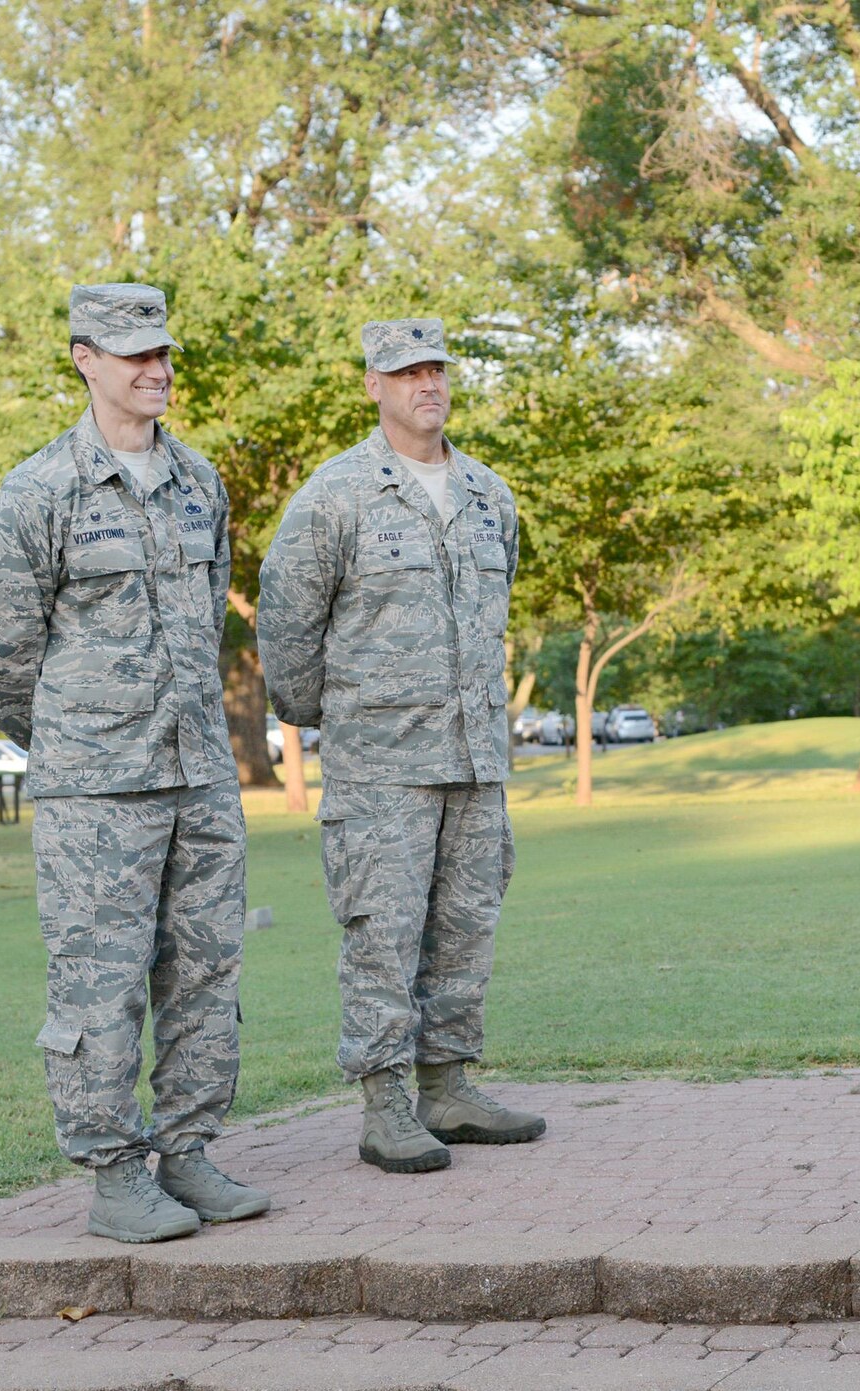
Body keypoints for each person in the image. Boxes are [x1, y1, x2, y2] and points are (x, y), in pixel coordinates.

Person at [0, 283, 269, 1243]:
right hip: (96, 788)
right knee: (98, 979)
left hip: (200, 777)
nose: (156, 368)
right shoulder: (40, 492)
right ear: (84, 358)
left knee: (206, 970)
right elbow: (0, 653)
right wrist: (70, 739)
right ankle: (112, 1171)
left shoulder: (200, 482)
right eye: (133, 352)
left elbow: (209, 614)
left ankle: (187, 1147)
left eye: (164, 350)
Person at [258, 317, 544, 1175]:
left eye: (437, 369)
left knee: (464, 928)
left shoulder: (490, 494)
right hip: (382, 766)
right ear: (374, 385)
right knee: (382, 934)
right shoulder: (335, 496)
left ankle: (448, 1086)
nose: (428, 384)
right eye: (406, 371)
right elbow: (286, 626)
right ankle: (384, 1102)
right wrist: (340, 716)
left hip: (475, 759)